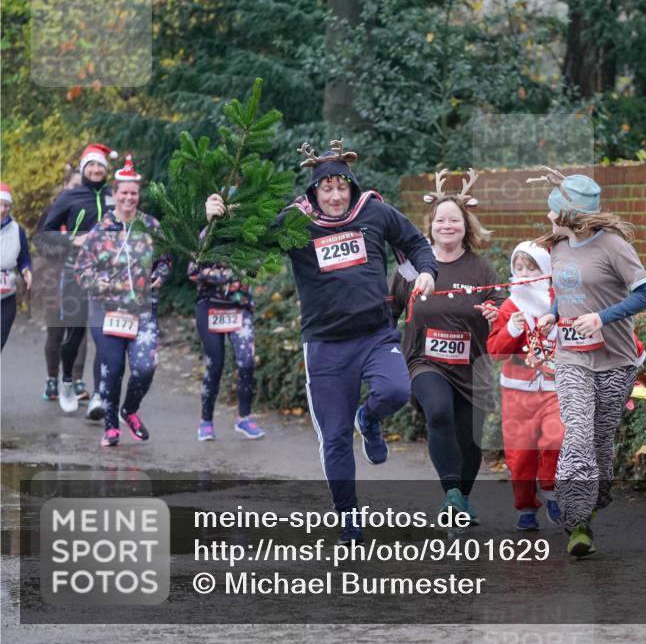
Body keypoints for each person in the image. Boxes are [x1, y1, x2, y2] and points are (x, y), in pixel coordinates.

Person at [205, 140, 436, 543]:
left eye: (340, 187)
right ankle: (347, 514)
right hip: (326, 347)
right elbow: (248, 243)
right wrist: (217, 221)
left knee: (398, 389)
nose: (334, 196)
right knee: (334, 437)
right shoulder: (297, 222)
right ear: (315, 191)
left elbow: (415, 242)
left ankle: (370, 418)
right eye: (325, 189)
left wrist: (428, 271)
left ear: (350, 187)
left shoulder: (374, 211)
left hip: (376, 335)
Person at [532, 166, 646, 557]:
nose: (548, 216)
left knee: (600, 441)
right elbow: (566, 288)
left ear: (571, 214)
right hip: (571, 358)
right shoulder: (558, 246)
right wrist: (554, 312)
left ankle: (595, 494)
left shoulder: (614, 246)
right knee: (578, 432)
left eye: (553, 210)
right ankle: (576, 520)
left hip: (616, 359)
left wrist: (601, 318)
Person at [389, 169, 503, 526]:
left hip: (472, 366)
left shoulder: (482, 269)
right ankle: (451, 492)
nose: (447, 226)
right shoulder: (411, 270)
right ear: (430, 225)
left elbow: (503, 306)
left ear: (466, 226)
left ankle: (461, 500)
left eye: (454, 220)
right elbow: (387, 314)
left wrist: (495, 311)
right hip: (425, 361)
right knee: (438, 412)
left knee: (471, 442)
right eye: (441, 220)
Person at [74, 155, 170, 447]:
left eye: (134, 193)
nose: (129, 197)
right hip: (105, 311)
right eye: (123, 192)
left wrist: (161, 275)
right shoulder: (100, 230)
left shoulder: (152, 226)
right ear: (114, 194)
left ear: (138, 195)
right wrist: (97, 283)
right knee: (112, 368)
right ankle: (111, 425)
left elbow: (166, 260)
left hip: (142, 311)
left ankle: (130, 409)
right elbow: (81, 269)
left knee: (145, 367)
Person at [486, 241, 564, 531]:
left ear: (545, 271)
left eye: (531, 269)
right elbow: (495, 351)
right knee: (520, 455)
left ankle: (552, 491)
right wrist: (511, 329)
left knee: (556, 439)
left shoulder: (560, 302)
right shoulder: (510, 306)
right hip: (518, 392)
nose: (523, 275)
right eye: (518, 268)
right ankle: (526, 506)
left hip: (555, 387)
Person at [37, 143, 117, 415]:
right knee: (75, 333)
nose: (96, 169)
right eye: (91, 165)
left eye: (101, 165)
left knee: (108, 336)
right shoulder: (69, 197)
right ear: (84, 168)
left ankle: (99, 394)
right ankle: (67, 382)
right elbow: (43, 235)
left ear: (106, 170)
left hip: (109, 276)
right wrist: (73, 238)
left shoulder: (112, 195)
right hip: (75, 273)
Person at [188, 248, 263, 441]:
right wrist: (229, 275)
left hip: (239, 308)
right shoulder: (209, 234)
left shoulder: (248, 236)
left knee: (247, 361)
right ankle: (206, 421)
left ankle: (244, 418)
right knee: (215, 365)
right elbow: (193, 271)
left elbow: (255, 268)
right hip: (210, 307)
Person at [35, 165, 89, 401]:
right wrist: (67, 245)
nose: (77, 190)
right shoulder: (52, 210)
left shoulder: (88, 210)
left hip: (80, 277)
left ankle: (77, 380)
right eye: (74, 186)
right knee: (55, 331)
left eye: (81, 187)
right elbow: (40, 242)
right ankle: (52, 379)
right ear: (66, 186)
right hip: (53, 279)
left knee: (79, 331)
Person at [0, 182, 33, 350]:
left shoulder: (17, 230)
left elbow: (24, 258)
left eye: (6, 205)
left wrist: (26, 270)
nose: (3, 209)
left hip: (7, 296)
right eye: (0, 204)